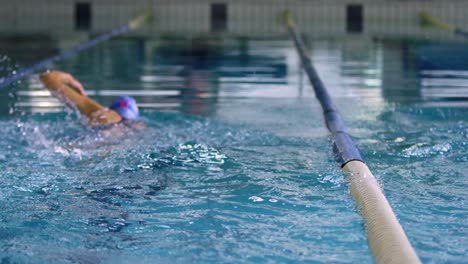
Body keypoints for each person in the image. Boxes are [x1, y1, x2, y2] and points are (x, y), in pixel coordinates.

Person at [40, 70, 143, 131]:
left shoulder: (102, 113)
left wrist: (70, 79)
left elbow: (48, 78)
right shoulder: (139, 127)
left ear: (111, 109)